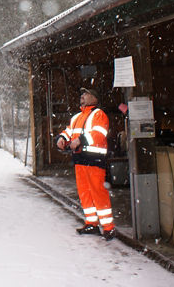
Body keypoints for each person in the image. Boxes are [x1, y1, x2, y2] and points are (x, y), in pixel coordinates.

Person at [56, 87, 116, 241]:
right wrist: (62, 138)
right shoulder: (77, 117)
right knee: (85, 193)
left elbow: (98, 134)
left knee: (98, 192)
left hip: (94, 160)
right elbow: (69, 131)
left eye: (86, 94)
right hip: (80, 160)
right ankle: (91, 223)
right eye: (81, 93)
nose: (82, 96)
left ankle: (108, 228)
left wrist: (79, 140)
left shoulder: (99, 114)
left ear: (94, 98)